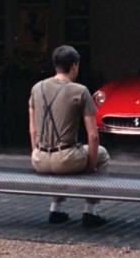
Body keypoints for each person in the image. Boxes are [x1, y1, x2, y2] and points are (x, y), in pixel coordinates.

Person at [29, 45, 110, 228]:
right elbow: (93, 136)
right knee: (102, 155)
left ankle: (55, 208)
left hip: (39, 158)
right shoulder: (80, 91)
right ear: (74, 66)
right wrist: (91, 167)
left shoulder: (36, 88)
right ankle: (91, 211)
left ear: (55, 65)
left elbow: (32, 130)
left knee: (59, 164)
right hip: (65, 158)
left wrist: (36, 153)